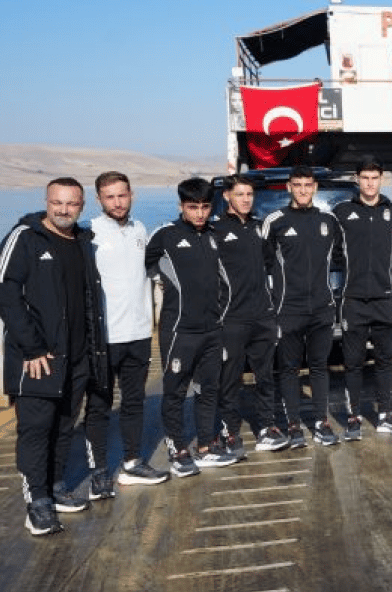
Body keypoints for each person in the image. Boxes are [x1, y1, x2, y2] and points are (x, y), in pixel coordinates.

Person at [0, 178, 106, 535]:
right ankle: (37, 503)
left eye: (71, 204)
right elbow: (5, 293)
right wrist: (32, 347)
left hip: (76, 357)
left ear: (82, 205)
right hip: (38, 356)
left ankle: (56, 487)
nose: (63, 210)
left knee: (63, 426)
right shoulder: (25, 238)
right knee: (35, 429)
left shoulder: (82, 241)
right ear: (47, 201)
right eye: (57, 203)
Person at [146, 178, 238, 476]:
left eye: (205, 207)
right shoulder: (165, 235)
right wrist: (162, 282)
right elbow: (144, 265)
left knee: (208, 389)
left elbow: (224, 277)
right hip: (179, 330)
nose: (200, 213)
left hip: (211, 329)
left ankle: (206, 447)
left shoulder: (213, 235)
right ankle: (177, 450)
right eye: (192, 207)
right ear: (181, 206)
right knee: (175, 391)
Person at [85, 171, 168, 495]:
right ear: (99, 200)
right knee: (99, 405)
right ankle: (99, 472)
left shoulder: (140, 229)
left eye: (122, 195)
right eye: (110, 197)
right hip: (104, 338)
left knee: (134, 401)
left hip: (138, 333)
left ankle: (132, 463)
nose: (117, 202)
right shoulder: (89, 233)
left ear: (131, 194)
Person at [263, 165, 346, 446]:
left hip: (322, 308)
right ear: (289, 187)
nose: (302, 190)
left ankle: (321, 423)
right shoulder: (275, 221)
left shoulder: (328, 220)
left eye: (307, 185)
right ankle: (294, 425)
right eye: (297, 184)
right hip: (288, 309)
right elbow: (262, 267)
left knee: (320, 366)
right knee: (289, 369)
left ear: (315, 188)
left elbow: (341, 258)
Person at [212, 175, 287, 452]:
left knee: (265, 376)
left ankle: (266, 427)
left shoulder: (259, 228)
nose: (246, 199)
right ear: (227, 197)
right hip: (231, 318)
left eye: (249, 194)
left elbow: (269, 264)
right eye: (240, 194)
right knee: (230, 378)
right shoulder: (215, 230)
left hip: (262, 317)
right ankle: (230, 431)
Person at [333, 158, 392, 439]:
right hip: (354, 301)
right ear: (357, 179)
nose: (370, 183)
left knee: (385, 361)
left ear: (381, 179)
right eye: (365, 178)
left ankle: (385, 414)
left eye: (375, 177)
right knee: (353, 362)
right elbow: (335, 253)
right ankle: (354, 417)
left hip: (386, 300)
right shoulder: (342, 212)